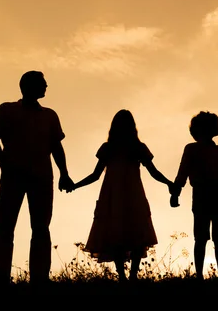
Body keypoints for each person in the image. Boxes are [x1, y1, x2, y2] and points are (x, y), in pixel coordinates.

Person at [0, 70, 74, 288]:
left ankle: (40, 279)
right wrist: (3, 162)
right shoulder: (7, 109)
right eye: (43, 83)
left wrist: (64, 173)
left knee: (41, 228)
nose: (46, 86)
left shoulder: (50, 115)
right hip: (13, 176)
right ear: (30, 86)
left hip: (42, 178)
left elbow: (56, 147)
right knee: (5, 227)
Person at [67, 109, 174, 281]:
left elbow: (95, 175)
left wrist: (75, 185)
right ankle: (129, 276)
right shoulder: (129, 148)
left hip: (120, 195)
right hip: (124, 195)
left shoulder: (117, 148)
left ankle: (126, 276)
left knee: (123, 233)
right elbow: (153, 172)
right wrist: (170, 183)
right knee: (131, 233)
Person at [170, 111, 218, 280]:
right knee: (202, 237)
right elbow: (183, 172)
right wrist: (176, 193)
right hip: (205, 194)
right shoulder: (192, 149)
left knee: (217, 238)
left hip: (216, 194)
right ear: (204, 128)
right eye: (215, 124)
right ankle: (201, 275)